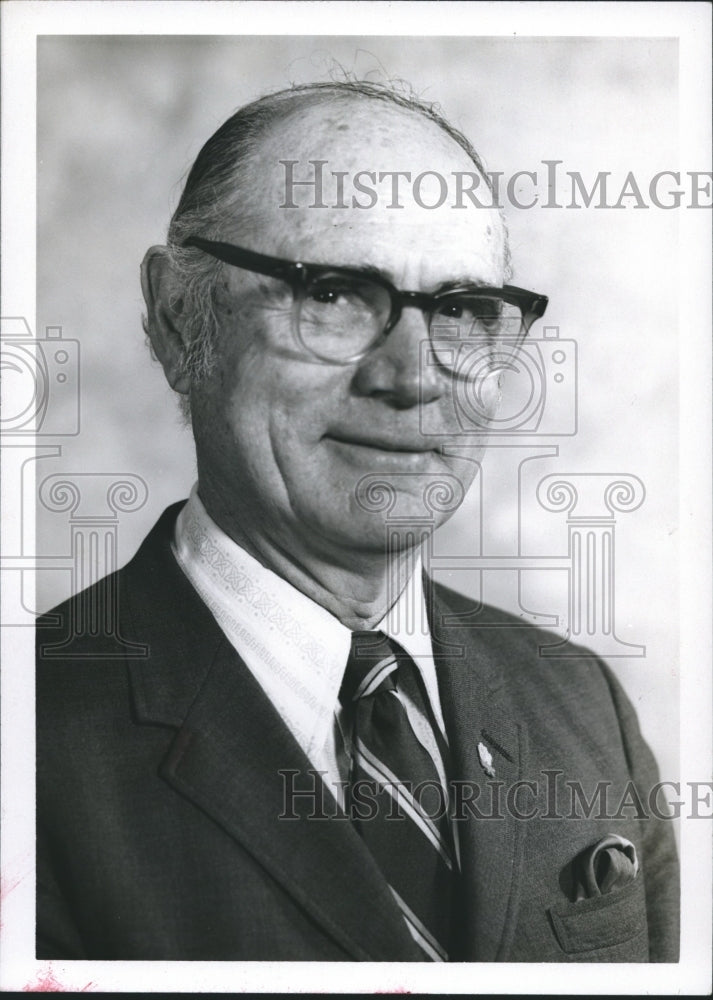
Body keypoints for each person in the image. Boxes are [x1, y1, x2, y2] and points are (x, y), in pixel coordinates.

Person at [36, 80, 678, 962]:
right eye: (333, 293)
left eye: (457, 310)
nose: (411, 377)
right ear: (181, 319)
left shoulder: (580, 705)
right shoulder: (29, 747)